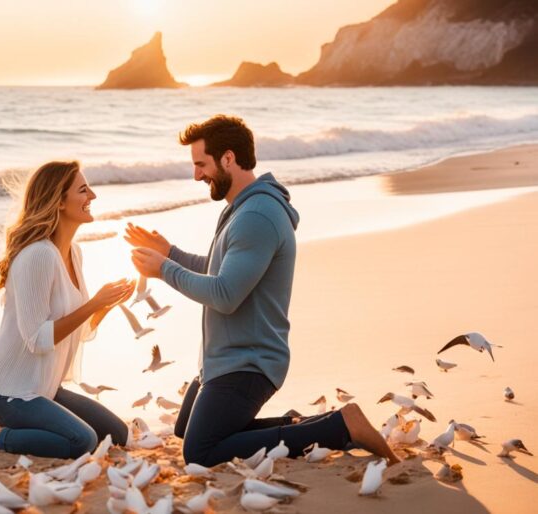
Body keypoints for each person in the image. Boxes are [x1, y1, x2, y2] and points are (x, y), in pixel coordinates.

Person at [127, 115, 399, 466]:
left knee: (200, 452)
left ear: (228, 158)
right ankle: (313, 425)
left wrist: (164, 270)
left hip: (249, 363)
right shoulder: (242, 209)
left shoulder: (257, 215)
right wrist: (172, 254)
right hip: (225, 358)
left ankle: (339, 427)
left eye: (201, 164)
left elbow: (225, 295)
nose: (196, 175)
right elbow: (219, 270)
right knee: (185, 430)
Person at [0, 160, 133, 458]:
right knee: (81, 441)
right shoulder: (38, 255)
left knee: (116, 434)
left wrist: (106, 305)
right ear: (58, 201)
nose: (93, 196)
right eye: (83, 190)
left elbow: (78, 332)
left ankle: (26, 428)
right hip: (7, 392)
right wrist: (94, 302)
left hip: (42, 388)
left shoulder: (74, 253)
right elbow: (38, 339)